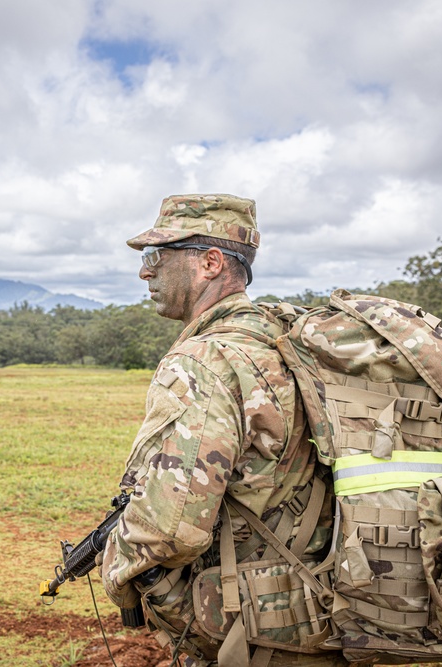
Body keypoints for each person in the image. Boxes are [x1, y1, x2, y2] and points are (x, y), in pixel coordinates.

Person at [100, 194, 344, 667]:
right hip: (327, 603)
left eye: (158, 256)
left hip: (255, 634)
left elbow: (171, 530)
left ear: (210, 262)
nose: (145, 272)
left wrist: (117, 561)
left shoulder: (205, 361)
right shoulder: (281, 339)